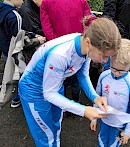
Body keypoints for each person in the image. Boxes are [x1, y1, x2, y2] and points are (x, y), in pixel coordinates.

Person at [18, 17, 121, 146]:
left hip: (55, 84)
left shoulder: (87, 46)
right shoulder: (60, 55)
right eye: (103, 55)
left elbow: (82, 75)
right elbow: (49, 93)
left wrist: (95, 97)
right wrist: (83, 110)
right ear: (89, 43)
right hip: (34, 90)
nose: (105, 60)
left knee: (55, 126)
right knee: (45, 135)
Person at [90, 39, 130, 146]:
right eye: (113, 68)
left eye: (121, 70)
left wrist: (128, 131)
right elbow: (97, 97)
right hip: (104, 120)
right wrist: (94, 118)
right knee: (102, 142)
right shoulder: (104, 76)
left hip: (119, 124)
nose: (116, 73)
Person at [40, 0, 92, 104]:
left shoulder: (46, 2)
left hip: (59, 50)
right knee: (77, 77)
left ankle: (61, 104)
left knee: (59, 78)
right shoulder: (82, 1)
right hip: (79, 46)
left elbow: (47, 28)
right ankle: (75, 102)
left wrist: (57, 44)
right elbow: (88, 21)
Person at [0, 0, 23, 107]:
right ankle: (18, 97)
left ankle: (13, 97)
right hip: (13, 50)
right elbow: (19, 37)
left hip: (4, 47)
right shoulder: (13, 16)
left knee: (10, 72)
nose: (23, 1)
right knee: (18, 73)